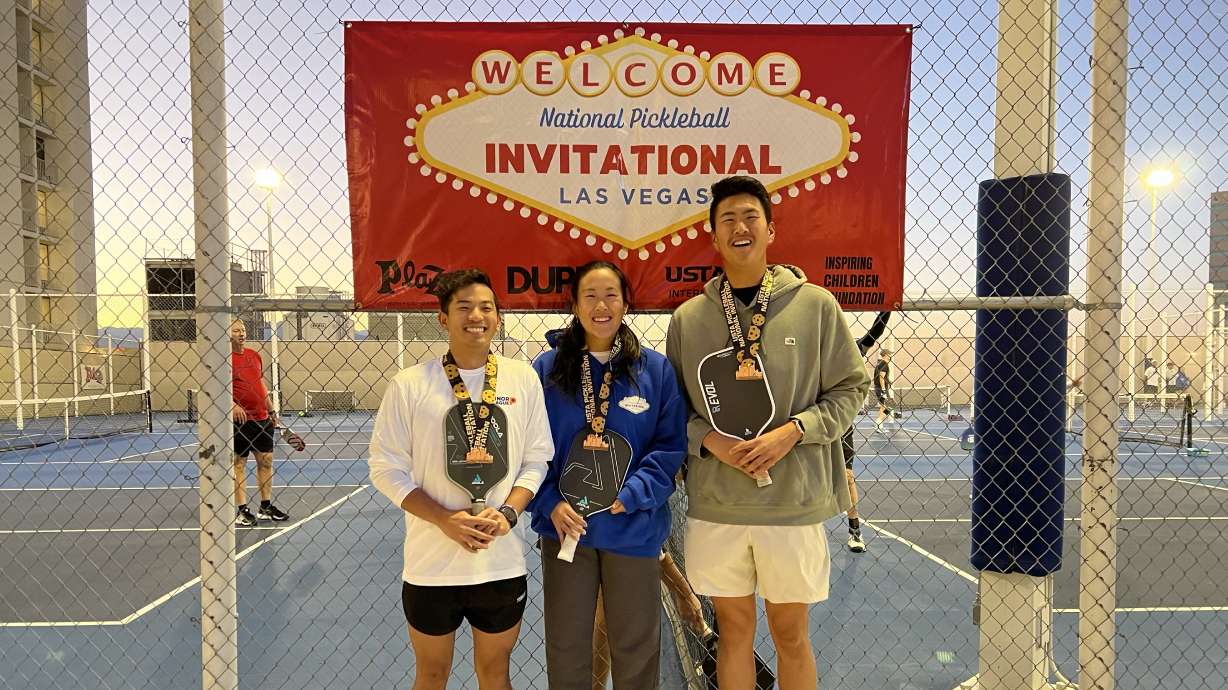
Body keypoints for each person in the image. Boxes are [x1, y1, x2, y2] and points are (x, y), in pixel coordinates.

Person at [666, 175, 869, 690]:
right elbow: (674, 412)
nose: (739, 227)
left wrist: (795, 432)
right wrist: (711, 442)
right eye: (727, 219)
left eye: (750, 217)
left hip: (791, 503)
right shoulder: (688, 320)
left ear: (771, 231)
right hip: (718, 503)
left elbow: (850, 390)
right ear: (712, 236)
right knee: (734, 632)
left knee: (791, 633)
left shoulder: (817, 305)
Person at [368, 269, 554, 690]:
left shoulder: (521, 378)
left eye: (486, 307)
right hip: (431, 566)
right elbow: (385, 468)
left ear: (498, 317)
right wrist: (443, 519)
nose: (477, 316)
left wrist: (508, 513)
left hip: (499, 561)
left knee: (495, 674)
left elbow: (538, 457)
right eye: (464, 307)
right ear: (443, 318)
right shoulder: (410, 385)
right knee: (431, 676)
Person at [529, 260, 687, 689]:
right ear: (575, 305)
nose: (601, 306)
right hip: (566, 531)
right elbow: (530, 450)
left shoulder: (654, 371)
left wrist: (635, 493)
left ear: (626, 303)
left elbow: (670, 447)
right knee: (566, 647)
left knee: (636, 648)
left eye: (611, 295)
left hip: (632, 528)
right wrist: (548, 502)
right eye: (590, 296)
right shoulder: (545, 371)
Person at [229, 319, 289, 526]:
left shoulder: (254, 356)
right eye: (236, 330)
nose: (241, 333)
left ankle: (265, 506)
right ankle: (241, 510)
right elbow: (217, 387)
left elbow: (260, 384)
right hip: (241, 421)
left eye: (243, 329)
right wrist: (231, 405)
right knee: (239, 464)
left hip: (262, 418)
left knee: (266, 462)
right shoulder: (222, 359)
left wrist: (272, 410)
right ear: (227, 334)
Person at [843, 312, 891, 553]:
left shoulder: (853, 347)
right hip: (812, 422)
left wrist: (887, 305)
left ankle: (854, 529)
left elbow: (876, 330)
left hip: (840, 424)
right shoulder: (813, 345)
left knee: (847, 476)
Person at [873, 348, 894, 433]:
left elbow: (882, 377)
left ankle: (879, 425)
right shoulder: (884, 364)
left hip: (879, 388)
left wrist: (888, 380)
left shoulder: (880, 364)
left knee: (883, 407)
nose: (890, 356)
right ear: (885, 354)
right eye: (889, 354)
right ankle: (878, 422)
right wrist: (884, 390)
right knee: (890, 406)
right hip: (881, 389)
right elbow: (881, 377)